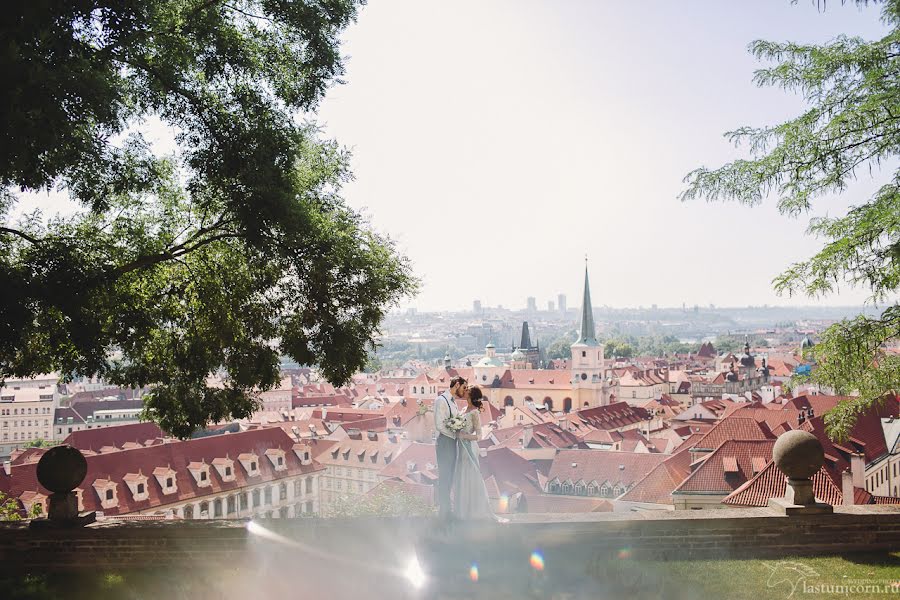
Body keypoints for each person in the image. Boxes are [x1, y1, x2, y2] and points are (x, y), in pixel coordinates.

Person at [453, 386, 506, 522]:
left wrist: (464, 436)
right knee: (462, 475)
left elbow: (479, 436)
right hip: (461, 446)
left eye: (467, 392)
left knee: (470, 476)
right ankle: (462, 509)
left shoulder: (474, 412)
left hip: (469, 447)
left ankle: (471, 510)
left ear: (472, 396)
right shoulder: (464, 409)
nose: (464, 393)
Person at [434, 376, 467, 520]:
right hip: (445, 442)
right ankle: (444, 510)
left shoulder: (453, 402)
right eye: (463, 387)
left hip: (452, 443)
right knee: (444, 476)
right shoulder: (441, 400)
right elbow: (439, 425)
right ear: (457, 385)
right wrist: (455, 432)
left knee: (450, 476)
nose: (464, 391)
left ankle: (447, 510)